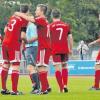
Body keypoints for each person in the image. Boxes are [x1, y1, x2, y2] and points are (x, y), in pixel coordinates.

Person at [15, 4, 51, 94]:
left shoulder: (41, 19)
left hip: (42, 47)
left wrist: (19, 13)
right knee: (40, 67)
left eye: (37, 10)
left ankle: (43, 89)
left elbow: (31, 19)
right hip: (43, 46)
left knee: (40, 67)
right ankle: (45, 87)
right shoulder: (44, 20)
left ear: (42, 11)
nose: (35, 11)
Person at [1, 5, 29, 95]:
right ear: (27, 12)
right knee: (15, 66)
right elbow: (22, 36)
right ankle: (14, 90)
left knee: (6, 65)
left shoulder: (12, 17)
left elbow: (5, 30)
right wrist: (26, 41)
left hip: (5, 43)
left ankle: (4, 89)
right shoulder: (24, 20)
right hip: (14, 44)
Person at [49, 9, 73, 92]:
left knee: (57, 69)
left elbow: (48, 39)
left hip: (55, 49)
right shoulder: (66, 25)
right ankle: (65, 85)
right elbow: (70, 38)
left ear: (52, 16)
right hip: (64, 49)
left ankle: (61, 88)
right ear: (60, 16)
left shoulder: (50, 26)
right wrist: (70, 48)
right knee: (64, 66)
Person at [23, 20, 40, 94]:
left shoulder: (31, 26)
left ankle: (36, 88)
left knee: (31, 67)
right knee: (32, 68)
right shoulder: (28, 26)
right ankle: (37, 87)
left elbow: (36, 37)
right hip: (29, 47)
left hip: (32, 47)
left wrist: (27, 41)